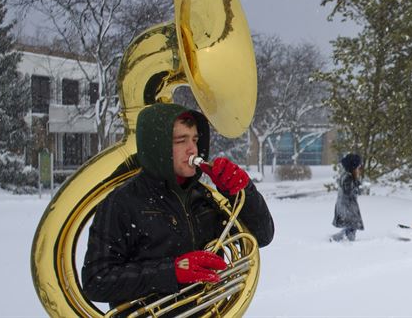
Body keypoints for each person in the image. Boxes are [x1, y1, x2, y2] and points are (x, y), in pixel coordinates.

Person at [81, 103, 274, 313]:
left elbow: (262, 236)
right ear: (158, 147)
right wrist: (171, 272)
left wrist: (242, 190)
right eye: (181, 140)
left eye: (195, 139)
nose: (193, 149)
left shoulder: (205, 198)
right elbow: (96, 281)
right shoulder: (121, 202)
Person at [330, 153, 364, 242]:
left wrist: (357, 184)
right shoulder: (347, 178)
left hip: (347, 206)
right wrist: (356, 188)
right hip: (347, 206)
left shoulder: (348, 176)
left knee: (352, 226)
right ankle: (344, 240)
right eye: (358, 167)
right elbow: (349, 191)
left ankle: (340, 238)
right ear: (352, 168)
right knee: (352, 225)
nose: (359, 169)